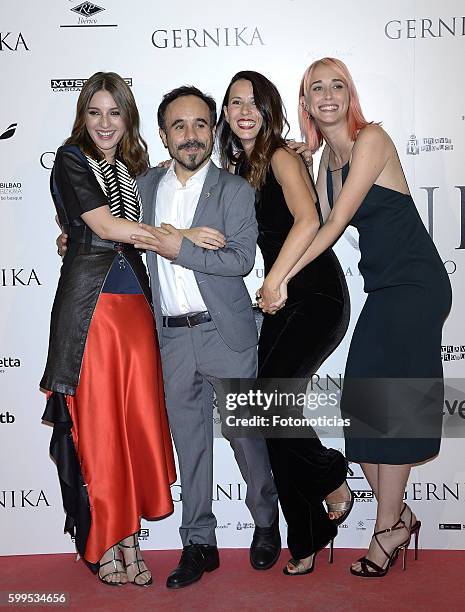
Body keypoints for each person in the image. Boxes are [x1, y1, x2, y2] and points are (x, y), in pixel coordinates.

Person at [271, 57, 452, 577]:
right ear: (305, 103)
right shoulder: (327, 162)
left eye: (338, 85)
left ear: (350, 95)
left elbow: (331, 228)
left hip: (416, 285)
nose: (328, 95)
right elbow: (318, 222)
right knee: (365, 406)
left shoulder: (373, 139)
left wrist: (280, 278)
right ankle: (399, 518)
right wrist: (304, 158)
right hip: (384, 288)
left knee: (391, 407)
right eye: (316, 88)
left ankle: (385, 531)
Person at [130, 86, 280, 589]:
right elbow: (119, 232)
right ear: (163, 135)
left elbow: (239, 260)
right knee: (189, 446)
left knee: (246, 438)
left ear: (212, 129)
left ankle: (264, 523)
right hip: (171, 338)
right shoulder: (145, 187)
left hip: (226, 333)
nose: (190, 135)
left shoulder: (234, 190)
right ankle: (199, 542)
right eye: (179, 126)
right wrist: (185, 237)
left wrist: (177, 247)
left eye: (199, 124)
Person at [215, 70, 353, 576]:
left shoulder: (278, 155)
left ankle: (330, 478)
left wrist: (274, 281)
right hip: (283, 295)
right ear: (226, 114)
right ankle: (310, 533)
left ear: (269, 109)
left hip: (313, 294)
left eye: (254, 102)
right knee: (266, 413)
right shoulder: (239, 167)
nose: (244, 110)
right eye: (234, 103)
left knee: (268, 402)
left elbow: (309, 220)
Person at [41, 72, 176, 587]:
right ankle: (109, 541)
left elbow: (175, 184)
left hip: (136, 310)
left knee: (136, 427)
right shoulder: (71, 158)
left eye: (114, 113)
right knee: (99, 431)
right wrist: (176, 237)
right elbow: (103, 225)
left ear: (127, 118)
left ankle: (132, 540)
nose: (104, 123)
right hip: (90, 310)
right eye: (94, 112)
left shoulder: (134, 168)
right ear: (83, 116)